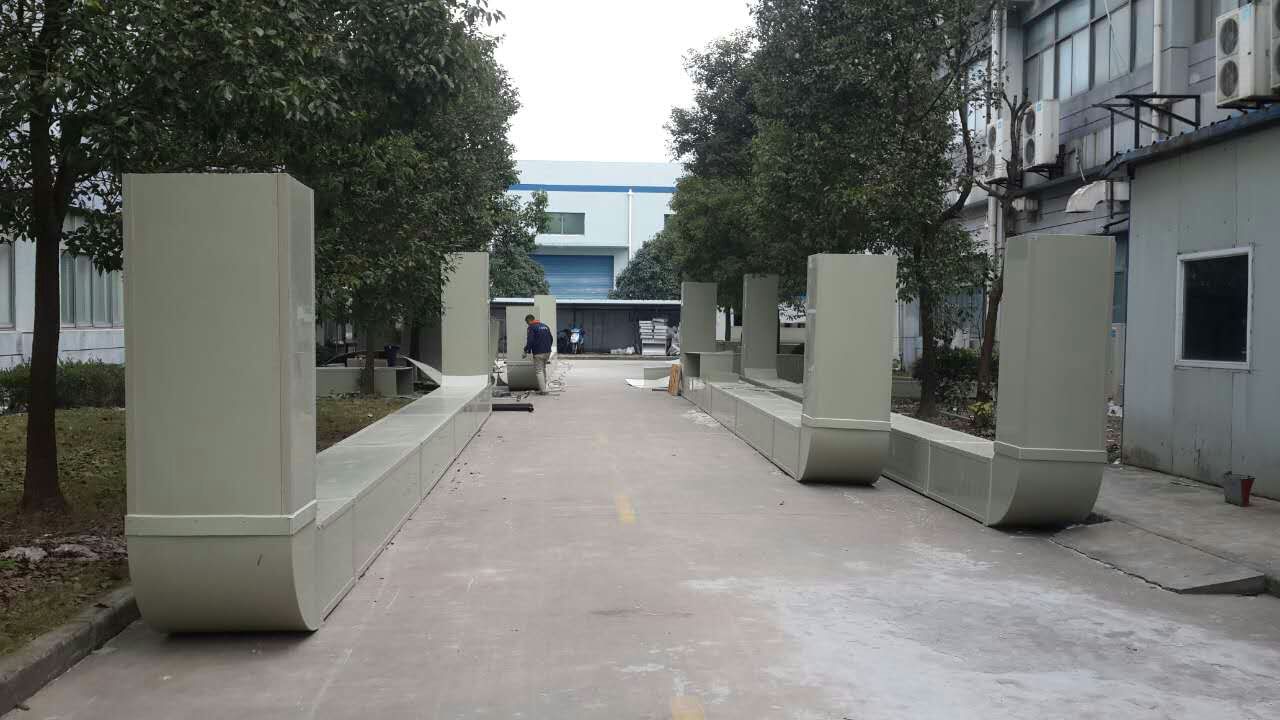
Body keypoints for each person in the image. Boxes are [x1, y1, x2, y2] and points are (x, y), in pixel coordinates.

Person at [523, 314, 554, 394]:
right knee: (543, 369)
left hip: (538, 352)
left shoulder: (531, 327)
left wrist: (526, 350)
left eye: (527, 322)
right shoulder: (545, 326)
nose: (527, 324)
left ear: (529, 320)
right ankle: (544, 388)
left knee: (539, 371)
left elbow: (530, 340)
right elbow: (551, 339)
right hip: (547, 351)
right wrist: (547, 348)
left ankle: (543, 391)